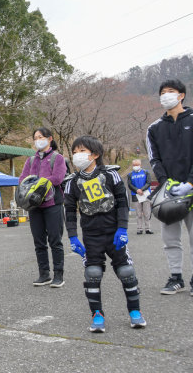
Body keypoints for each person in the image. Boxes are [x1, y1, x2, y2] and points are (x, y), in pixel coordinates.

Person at [65, 136, 146, 333]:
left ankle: (135, 312)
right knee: (92, 274)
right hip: (91, 236)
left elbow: (122, 201)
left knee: (126, 271)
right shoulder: (72, 182)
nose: (77, 155)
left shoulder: (111, 175)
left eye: (82, 151)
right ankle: (97, 314)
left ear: (95, 154)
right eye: (75, 152)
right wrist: (73, 237)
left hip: (114, 232)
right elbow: (68, 211)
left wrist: (123, 229)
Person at [147, 79, 193, 295]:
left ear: (181, 95)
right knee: (170, 239)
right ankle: (176, 278)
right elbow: (154, 159)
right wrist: (166, 183)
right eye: (163, 92)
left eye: (171, 91)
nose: (166, 95)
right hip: (168, 193)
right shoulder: (154, 128)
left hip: (191, 189)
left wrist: (190, 183)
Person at [18, 127, 66, 287]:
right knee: (39, 241)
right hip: (34, 205)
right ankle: (44, 274)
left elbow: (58, 178)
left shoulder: (57, 158)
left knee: (55, 240)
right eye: (36, 137)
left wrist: (38, 183)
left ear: (50, 138)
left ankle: (58, 275)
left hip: (52, 203)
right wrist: (28, 187)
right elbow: (23, 179)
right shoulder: (30, 160)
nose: (38, 140)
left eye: (41, 137)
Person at [126, 159, 153, 235]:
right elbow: (129, 184)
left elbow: (149, 182)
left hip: (146, 194)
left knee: (147, 212)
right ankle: (139, 229)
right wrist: (137, 190)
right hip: (135, 195)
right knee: (138, 213)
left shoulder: (146, 172)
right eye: (134, 165)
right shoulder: (130, 174)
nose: (135, 166)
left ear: (140, 165)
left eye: (137, 165)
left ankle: (148, 228)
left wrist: (142, 189)